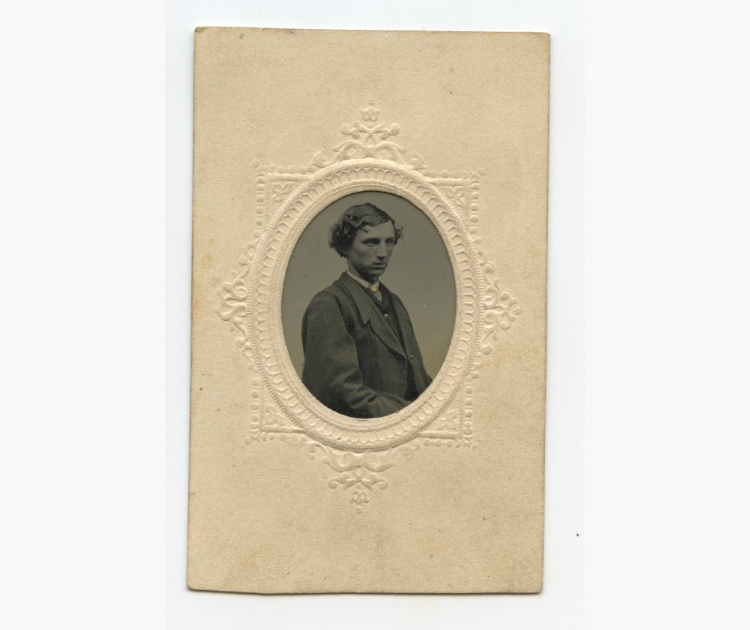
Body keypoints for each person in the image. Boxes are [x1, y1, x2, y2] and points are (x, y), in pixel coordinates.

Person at [301, 202, 432, 419]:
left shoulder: (395, 302)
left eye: (389, 242)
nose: (382, 253)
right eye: (371, 242)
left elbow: (419, 380)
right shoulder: (329, 304)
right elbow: (341, 392)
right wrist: (412, 415)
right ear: (345, 247)